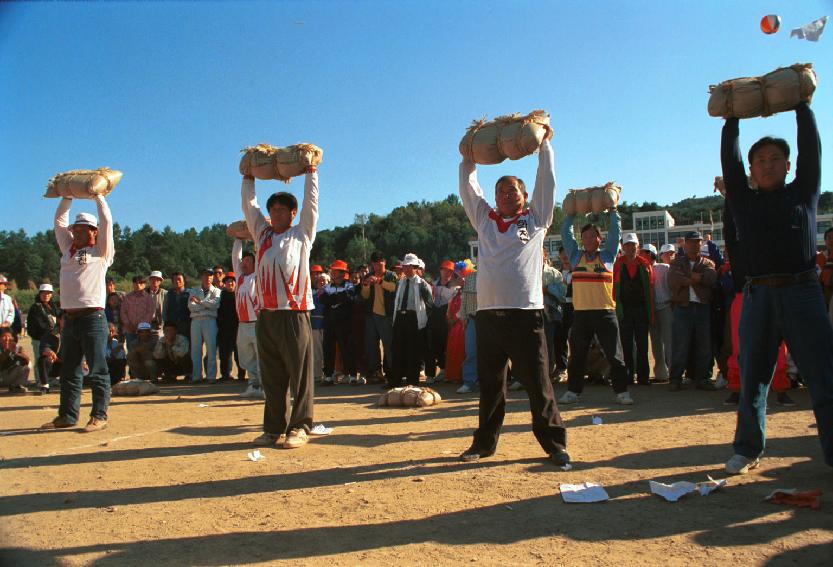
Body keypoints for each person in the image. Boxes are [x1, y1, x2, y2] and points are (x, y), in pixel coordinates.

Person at [721, 102, 832, 473]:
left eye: (775, 159)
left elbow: (813, 150)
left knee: (822, 377)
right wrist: (732, 119)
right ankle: (748, 449)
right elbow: (730, 163)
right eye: (761, 160)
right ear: (752, 169)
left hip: (803, 292)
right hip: (758, 294)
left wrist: (803, 108)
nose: (767, 165)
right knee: (753, 377)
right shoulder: (742, 199)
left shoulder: (804, 193)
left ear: (788, 165)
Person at [458, 130, 570, 466]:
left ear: (523, 195)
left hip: (526, 315)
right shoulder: (485, 221)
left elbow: (546, 182)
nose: (506, 195)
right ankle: (484, 444)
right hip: (489, 315)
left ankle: (555, 445)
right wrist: (467, 160)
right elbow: (468, 190)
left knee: (538, 384)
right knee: (491, 386)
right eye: (500, 191)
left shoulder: (536, 219)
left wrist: (546, 145)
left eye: (512, 190)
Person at [242, 159, 318, 449]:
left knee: (298, 375)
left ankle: (299, 427)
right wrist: (248, 178)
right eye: (273, 209)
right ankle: (273, 428)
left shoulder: (301, 234)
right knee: (272, 376)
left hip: (294, 313)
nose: (275, 213)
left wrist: (312, 172)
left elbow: (312, 204)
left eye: (282, 209)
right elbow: (250, 206)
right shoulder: (261, 233)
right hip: (267, 316)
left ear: (293, 213)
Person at [41, 195, 114, 432]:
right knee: (69, 370)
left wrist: (99, 199)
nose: (76, 233)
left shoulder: (101, 251)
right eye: (75, 230)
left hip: (93, 318)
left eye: (82, 230)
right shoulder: (68, 250)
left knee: (97, 369)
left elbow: (107, 223)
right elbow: (59, 222)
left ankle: (99, 415)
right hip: (70, 319)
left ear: (93, 232)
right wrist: (67, 197)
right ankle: (67, 416)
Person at [559, 207, 632, 405]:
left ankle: (622, 392)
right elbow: (565, 233)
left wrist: (612, 213)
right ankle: (573, 392)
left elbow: (616, 232)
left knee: (615, 355)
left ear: (600, 239)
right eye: (585, 236)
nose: (589, 239)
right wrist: (572, 214)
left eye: (593, 236)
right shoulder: (575, 256)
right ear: (582, 239)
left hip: (605, 312)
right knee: (577, 356)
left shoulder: (608, 256)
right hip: (581, 314)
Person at [666, 231, 717, 392]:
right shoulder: (677, 263)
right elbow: (673, 280)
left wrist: (691, 278)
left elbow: (711, 278)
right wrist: (698, 278)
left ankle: (703, 378)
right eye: (691, 242)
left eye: (698, 242)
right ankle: (675, 378)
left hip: (702, 307)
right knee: (680, 344)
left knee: (704, 344)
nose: (695, 244)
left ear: (701, 244)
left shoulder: (708, 263)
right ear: (685, 244)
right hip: (683, 307)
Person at [613, 233, 654, 386]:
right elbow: (613, 289)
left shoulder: (645, 263)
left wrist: (651, 312)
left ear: (638, 246)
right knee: (626, 345)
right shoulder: (617, 264)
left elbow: (650, 289)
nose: (630, 247)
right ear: (623, 247)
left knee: (643, 345)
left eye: (633, 245)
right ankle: (628, 376)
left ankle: (644, 377)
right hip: (625, 310)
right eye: (627, 245)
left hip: (642, 309)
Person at [391, 253, 434, 388]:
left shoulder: (422, 284)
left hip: (414, 317)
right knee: (397, 349)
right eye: (405, 266)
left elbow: (429, 304)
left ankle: (412, 380)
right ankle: (396, 379)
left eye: (410, 266)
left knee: (413, 350)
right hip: (400, 317)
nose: (407, 269)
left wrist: (424, 320)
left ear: (416, 268)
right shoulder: (400, 283)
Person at [320, 260, 360, 385]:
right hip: (329, 323)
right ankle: (328, 376)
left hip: (345, 323)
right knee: (328, 349)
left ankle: (352, 375)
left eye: (335, 270)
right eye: (332, 270)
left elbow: (348, 297)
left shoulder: (349, 286)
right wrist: (339, 299)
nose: (332, 272)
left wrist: (332, 300)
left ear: (342, 273)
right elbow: (323, 299)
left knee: (348, 349)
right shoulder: (326, 287)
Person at [361, 251, 397, 384]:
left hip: (386, 315)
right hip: (371, 315)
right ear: (372, 264)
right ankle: (376, 372)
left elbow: (395, 288)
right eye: (375, 263)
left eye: (380, 263)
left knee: (389, 345)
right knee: (371, 346)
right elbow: (364, 296)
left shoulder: (391, 275)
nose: (377, 266)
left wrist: (380, 281)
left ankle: (393, 373)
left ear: (385, 262)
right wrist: (365, 285)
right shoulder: (368, 276)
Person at [232, 239, 262, 398]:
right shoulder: (240, 278)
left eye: (247, 261)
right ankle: (253, 384)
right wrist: (238, 239)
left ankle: (264, 386)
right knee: (246, 356)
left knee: (261, 355)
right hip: (242, 324)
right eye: (242, 261)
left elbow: (261, 253)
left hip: (257, 323)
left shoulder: (257, 276)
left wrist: (256, 236)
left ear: (255, 263)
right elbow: (234, 257)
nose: (243, 263)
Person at [426, 260, 459, 383]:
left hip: (448, 320)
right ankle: (432, 373)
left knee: (447, 346)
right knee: (432, 345)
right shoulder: (433, 284)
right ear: (440, 270)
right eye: (444, 269)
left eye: (450, 270)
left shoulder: (456, 287)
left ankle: (447, 370)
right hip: (434, 319)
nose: (446, 272)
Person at [188, 268, 221, 383]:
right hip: (196, 321)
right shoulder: (194, 290)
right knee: (196, 350)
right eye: (206, 275)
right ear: (201, 277)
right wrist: (205, 307)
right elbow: (190, 306)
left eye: (210, 276)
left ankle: (211, 376)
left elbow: (214, 305)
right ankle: (197, 376)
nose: (208, 278)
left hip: (210, 320)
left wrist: (199, 303)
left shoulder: (217, 291)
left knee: (211, 349)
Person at [649, 244, 674, 382]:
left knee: (669, 341)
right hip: (652, 309)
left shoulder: (664, 268)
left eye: (645, 253)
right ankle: (660, 374)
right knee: (656, 343)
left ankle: (673, 372)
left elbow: (672, 286)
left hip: (665, 306)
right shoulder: (643, 269)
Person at [26, 283, 59, 388]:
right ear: (40, 294)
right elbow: (38, 324)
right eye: (44, 293)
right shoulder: (35, 307)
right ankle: (39, 380)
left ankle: (49, 379)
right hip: (39, 338)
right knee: (39, 359)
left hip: (52, 338)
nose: (46, 295)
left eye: (49, 293)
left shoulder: (53, 306)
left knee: (51, 359)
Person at [217, 272, 244, 381]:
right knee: (224, 353)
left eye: (232, 281)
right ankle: (225, 375)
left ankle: (241, 375)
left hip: (238, 328)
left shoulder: (240, 294)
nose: (230, 283)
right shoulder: (220, 295)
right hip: (224, 328)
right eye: (228, 281)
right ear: (225, 283)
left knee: (239, 353)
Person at [456, 268, 478, 394]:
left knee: (490, 352)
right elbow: (464, 298)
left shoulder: (495, 275)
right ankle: (469, 382)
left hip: (490, 319)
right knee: (470, 351)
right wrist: (463, 316)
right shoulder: (470, 277)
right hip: (472, 319)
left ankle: (489, 381)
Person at [120, 275, 155, 354]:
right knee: (132, 353)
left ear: (145, 284)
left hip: (144, 331)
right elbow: (123, 312)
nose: (138, 285)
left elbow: (150, 313)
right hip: (129, 330)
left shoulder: (148, 298)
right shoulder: (127, 297)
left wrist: (140, 327)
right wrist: (128, 324)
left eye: (141, 283)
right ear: (133, 284)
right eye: (136, 283)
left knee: (145, 352)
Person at [310, 267, 328, 385]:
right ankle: (317, 375)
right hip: (315, 326)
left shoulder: (331, 292)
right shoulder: (311, 294)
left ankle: (328, 374)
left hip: (327, 326)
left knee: (327, 351)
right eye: (318, 281)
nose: (321, 283)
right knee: (316, 352)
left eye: (323, 281)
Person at [38, 312, 64, 394]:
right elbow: (43, 347)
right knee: (43, 360)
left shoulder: (76, 332)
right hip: (55, 362)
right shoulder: (50, 333)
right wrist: (48, 351)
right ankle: (45, 385)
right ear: (59, 320)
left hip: (71, 362)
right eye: (65, 319)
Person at [163, 272, 191, 339]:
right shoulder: (169, 294)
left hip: (187, 325)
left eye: (179, 279)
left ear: (184, 281)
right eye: (175, 280)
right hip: (172, 326)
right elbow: (165, 310)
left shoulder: (190, 293)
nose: (177, 281)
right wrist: (166, 324)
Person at [0, 328, 29, 394]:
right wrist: (7, 352)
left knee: (25, 368)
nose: (7, 339)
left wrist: (16, 353)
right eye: (4, 336)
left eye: (9, 336)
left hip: (8, 376)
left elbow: (28, 362)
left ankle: (16, 386)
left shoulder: (18, 348)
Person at [146, 270, 167, 338]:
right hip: (146, 324)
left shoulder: (165, 293)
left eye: (158, 279)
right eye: (153, 279)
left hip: (161, 324)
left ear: (160, 281)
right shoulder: (143, 293)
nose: (155, 281)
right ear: (150, 280)